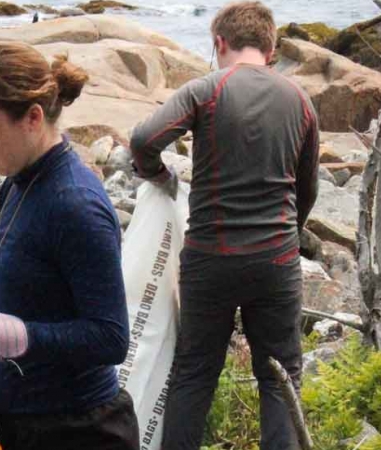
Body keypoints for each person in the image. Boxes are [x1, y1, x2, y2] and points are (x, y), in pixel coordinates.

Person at [0, 42, 139, 450]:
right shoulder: (17, 185)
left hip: (79, 430)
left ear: (32, 118)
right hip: (19, 421)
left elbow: (110, 338)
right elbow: (32, 282)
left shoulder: (76, 204)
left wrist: (5, 335)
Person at [129, 2, 319, 449]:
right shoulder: (300, 102)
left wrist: (158, 175)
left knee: (195, 373)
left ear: (219, 43)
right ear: (271, 49)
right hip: (275, 259)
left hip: (210, 258)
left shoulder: (207, 89)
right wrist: (287, 237)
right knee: (280, 379)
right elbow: (306, 189)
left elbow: (143, 140)